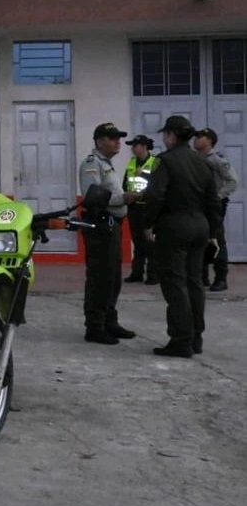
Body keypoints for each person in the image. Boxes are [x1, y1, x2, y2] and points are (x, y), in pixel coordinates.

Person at [143, 115, 222, 357]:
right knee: (194, 282)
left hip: (174, 227)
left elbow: (155, 195)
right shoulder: (202, 162)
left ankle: (181, 340)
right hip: (200, 227)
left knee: (175, 284)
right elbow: (213, 201)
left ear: (171, 136)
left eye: (165, 134)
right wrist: (214, 232)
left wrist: (148, 223)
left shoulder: (164, 161)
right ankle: (196, 338)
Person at [78, 122, 139, 345]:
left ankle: (109, 320)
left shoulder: (107, 165)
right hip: (100, 226)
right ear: (99, 141)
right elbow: (93, 196)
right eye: (112, 138)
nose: (118, 142)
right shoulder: (92, 164)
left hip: (112, 226)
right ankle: (95, 326)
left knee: (113, 277)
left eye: (118, 138)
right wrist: (124, 198)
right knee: (100, 277)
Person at [193, 127, 239, 292]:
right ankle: (202, 276)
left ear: (209, 141)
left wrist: (218, 197)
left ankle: (221, 279)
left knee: (217, 240)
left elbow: (232, 181)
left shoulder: (217, 160)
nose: (196, 139)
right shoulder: (194, 158)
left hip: (213, 206)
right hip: (198, 205)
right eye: (196, 136)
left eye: (200, 137)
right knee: (199, 239)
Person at [122, 135, 158, 285]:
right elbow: (125, 183)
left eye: (135, 146)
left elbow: (157, 185)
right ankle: (137, 273)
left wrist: (143, 176)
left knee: (150, 242)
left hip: (148, 207)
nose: (132, 149)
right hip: (134, 207)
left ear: (144, 146)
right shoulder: (132, 162)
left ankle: (153, 275)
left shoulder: (155, 162)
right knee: (137, 242)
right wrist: (127, 195)